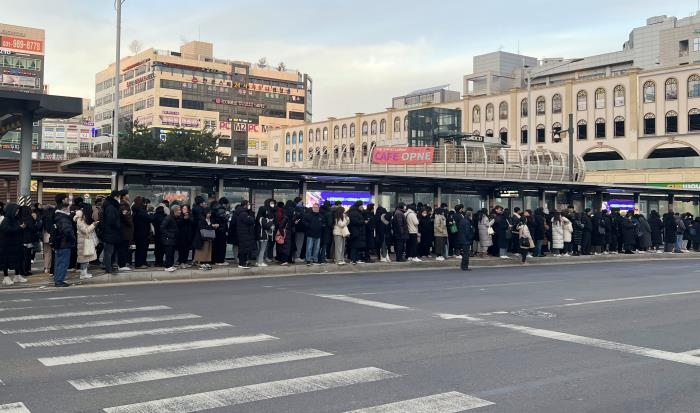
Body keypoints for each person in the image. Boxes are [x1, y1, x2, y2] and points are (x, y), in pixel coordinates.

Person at [52, 194, 76, 287]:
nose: (68, 201)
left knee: (59, 262)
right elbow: (67, 230)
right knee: (63, 262)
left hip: (60, 242)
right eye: (67, 199)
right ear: (62, 201)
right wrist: (73, 238)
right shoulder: (62, 217)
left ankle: (58, 279)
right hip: (64, 242)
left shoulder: (58, 215)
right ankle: (59, 280)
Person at [0, 203, 26, 286]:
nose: (17, 212)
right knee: (6, 261)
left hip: (16, 243)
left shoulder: (16, 219)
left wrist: (21, 228)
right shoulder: (6, 220)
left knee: (17, 259)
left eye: (18, 211)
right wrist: (19, 227)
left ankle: (17, 275)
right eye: (16, 210)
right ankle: (6, 277)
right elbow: (6, 230)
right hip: (7, 245)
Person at [74, 204, 98, 280]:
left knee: (86, 258)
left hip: (85, 240)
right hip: (83, 241)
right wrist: (93, 225)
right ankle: (83, 274)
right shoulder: (80, 219)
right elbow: (85, 230)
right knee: (84, 258)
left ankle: (84, 273)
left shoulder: (83, 218)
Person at [131, 196, 151, 269]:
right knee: (141, 249)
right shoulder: (141, 211)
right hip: (142, 233)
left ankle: (142, 262)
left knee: (141, 249)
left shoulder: (136, 210)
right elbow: (149, 219)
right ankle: (139, 264)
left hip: (138, 233)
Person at [210, 197, 230, 265]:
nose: (227, 206)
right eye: (227, 204)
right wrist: (228, 215)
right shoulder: (220, 209)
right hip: (221, 230)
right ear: (224, 204)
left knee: (216, 246)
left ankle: (215, 260)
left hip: (216, 229)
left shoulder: (214, 207)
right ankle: (220, 261)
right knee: (221, 246)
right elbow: (224, 219)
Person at [160, 205, 180, 272]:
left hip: (173, 239)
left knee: (172, 253)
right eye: (179, 210)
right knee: (169, 253)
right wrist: (169, 235)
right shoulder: (168, 218)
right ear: (175, 211)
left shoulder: (175, 218)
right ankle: (167, 266)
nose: (180, 211)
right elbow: (162, 228)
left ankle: (171, 265)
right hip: (168, 239)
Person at [176, 204, 194, 269]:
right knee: (181, 249)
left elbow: (193, 223)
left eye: (186, 209)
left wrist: (188, 218)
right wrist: (184, 219)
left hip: (188, 235)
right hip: (181, 236)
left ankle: (185, 261)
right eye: (183, 209)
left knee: (187, 249)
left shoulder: (190, 215)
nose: (184, 210)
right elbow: (178, 223)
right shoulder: (179, 215)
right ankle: (181, 262)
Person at [41, 205, 55, 275]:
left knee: (46, 252)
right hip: (51, 236)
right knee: (52, 253)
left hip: (44, 236)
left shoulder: (43, 217)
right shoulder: (53, 217)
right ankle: (50, 268)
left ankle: (46, 267)